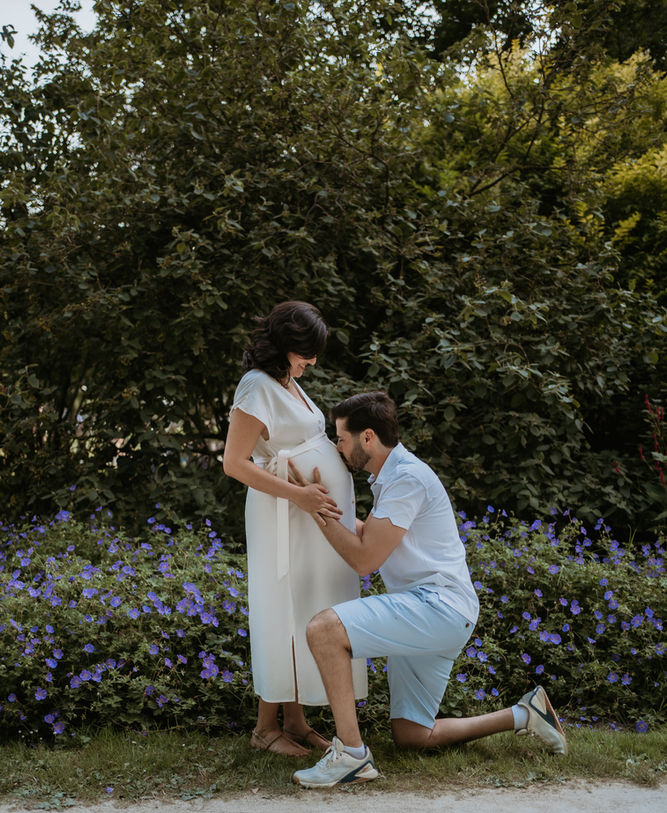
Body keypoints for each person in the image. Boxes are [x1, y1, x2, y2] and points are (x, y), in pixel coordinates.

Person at [290, 391, 568, 788]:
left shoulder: (407, 478)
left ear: (367, 437)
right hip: (435, 610)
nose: (338, 447)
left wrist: (317, 510)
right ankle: (526, 714)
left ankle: (351, 756)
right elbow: (371, 536)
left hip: (437, 607)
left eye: (341, 438)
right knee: (413, 734)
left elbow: (365, 560)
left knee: (324, 630)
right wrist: (319, 502)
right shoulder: (392, 476)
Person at [222, 301, 367, 758]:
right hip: (282, 515)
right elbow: (234, 463)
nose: (313, 360)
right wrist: (299, 496)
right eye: (307, 351)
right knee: (282, 607)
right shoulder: (255, 385)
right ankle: (265, 728)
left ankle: (296, 721)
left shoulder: (287, 382)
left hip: (304, 516)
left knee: (305, 604)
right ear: (286, 344)